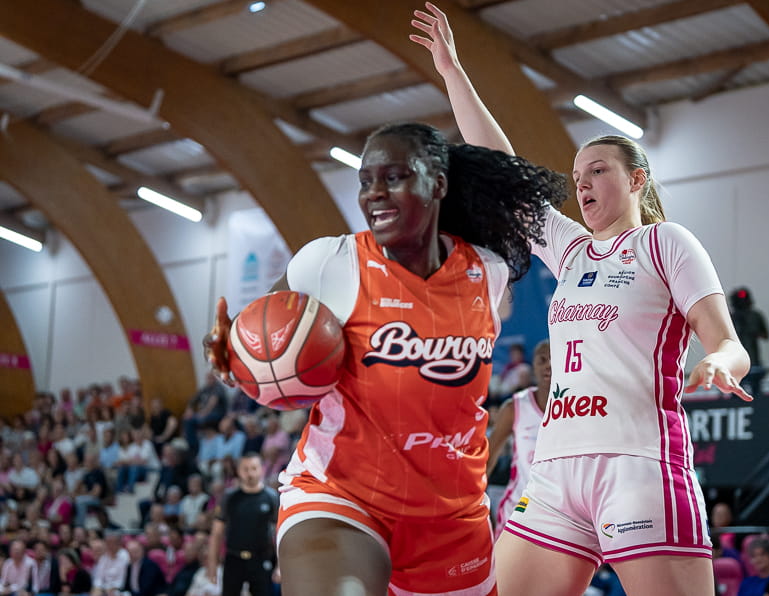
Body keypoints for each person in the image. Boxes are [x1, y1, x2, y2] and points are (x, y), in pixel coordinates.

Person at [410, 3, 752, 595]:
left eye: (597, 171)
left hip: (637, 464)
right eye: (578, 175)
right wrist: (452, 71)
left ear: (637, 180)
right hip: (554, 471)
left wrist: (720, 362)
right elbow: (504, 170)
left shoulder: (664, 242)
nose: (583, 183)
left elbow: (728, 342)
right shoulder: (570, 250)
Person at [204, 114, 567, 593]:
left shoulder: (488, 271)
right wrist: (234, 353)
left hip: (452, 518)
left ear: (438, 184)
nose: (374, 193)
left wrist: (455, 77)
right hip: (343, 496)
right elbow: (266, 330)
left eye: (393, 177)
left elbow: (512, 187)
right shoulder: (331, 262)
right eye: (365, 181)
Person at [487, 339, 550, 538]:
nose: (548, 365)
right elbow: (487, 459)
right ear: (533, 366)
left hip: (563, 514)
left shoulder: (580, 406)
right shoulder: (515, 407)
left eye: (554, 359)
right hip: (519, 511)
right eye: (542, 360)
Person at [205, 453, 278, 596]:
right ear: (238, 471)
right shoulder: (229, 497)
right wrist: (212, 565)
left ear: (261, 469)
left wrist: (280, 566)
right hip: (233, 558)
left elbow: (279, 533)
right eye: (245, 469)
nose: (250, 473)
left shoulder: (271, 497)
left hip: (261, 558)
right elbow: (217, 533)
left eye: (254, 468)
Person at [730, 287, 769, 397]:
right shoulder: (731, 318)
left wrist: (753, 333)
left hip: (753, 361)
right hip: (736, 362)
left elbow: (765, 335)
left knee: (755, 393)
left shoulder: (755, 316)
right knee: (737, 392)